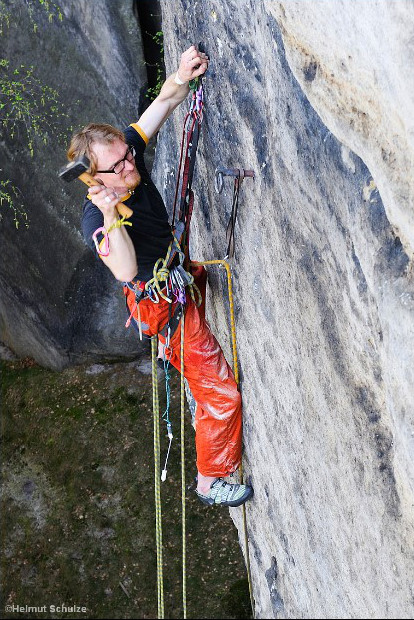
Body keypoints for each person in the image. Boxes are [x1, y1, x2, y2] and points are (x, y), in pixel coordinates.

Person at [66, 45, 253, 507]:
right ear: (96, 181)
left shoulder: (122, 158)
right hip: (163, 305)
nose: (132, 164)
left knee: (202, 303)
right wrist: (111, 217)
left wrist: (181, 74)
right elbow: (126, 269)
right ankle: (211, 481)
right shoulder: (97, 220)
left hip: (179, 274)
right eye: (119, 166)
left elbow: (165, 104)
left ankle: (194, 386)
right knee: (223, 396)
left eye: (128, 155)